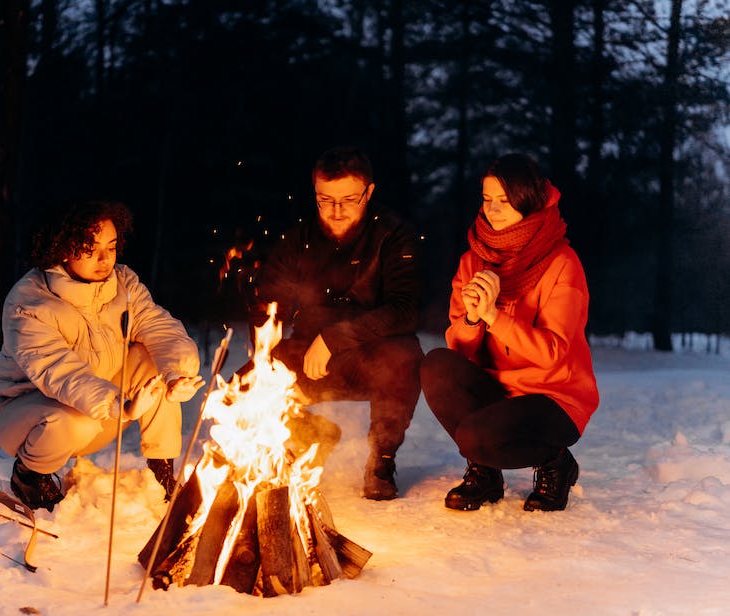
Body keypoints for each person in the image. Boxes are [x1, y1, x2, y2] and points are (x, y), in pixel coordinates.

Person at [0, 200, 204, 511]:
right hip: (29, 417)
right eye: (90, 248)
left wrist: (178, 374)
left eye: (111, 247)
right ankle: (30, 476)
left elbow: (159, 327)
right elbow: (60, 373)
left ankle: (163, 471)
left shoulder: (124, 284)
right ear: (63, 248)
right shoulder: (30, 302)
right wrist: (122, 404)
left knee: (156, 362)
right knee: (77, 421)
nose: (104, 259)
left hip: (103, 408)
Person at [420, 153, 599, 512]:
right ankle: (485, 476)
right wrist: (472, 319)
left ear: (527, 201)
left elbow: (553, 352)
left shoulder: (562, 263)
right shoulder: (474, 260)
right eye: (487, 199)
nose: (493, 209)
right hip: (499, 390)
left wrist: (494, 316)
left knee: (475, 437)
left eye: (504, 200)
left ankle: (556, 463)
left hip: (553, 398)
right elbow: (461, 351)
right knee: (436, 365)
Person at [251, 146, 424, 500]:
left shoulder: (393, 235)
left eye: (348, 200)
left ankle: (382, 459)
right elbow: (272, 304)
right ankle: (311, 433)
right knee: (246, 383)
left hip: (372, 356)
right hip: (311, 357)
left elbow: (405, 309)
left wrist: (334, 337)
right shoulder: (298, 239)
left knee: (405, 358)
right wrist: (266, 337)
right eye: (325, 200)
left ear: (369, 192)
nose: (336, 211)